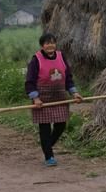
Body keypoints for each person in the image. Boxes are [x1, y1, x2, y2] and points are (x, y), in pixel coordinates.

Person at [25, 32, 83, 166]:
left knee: (61, 124)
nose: (50, 45)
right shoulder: (36, 60)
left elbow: (68, 77)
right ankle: (49, 156)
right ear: (42, 46)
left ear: (55, 44)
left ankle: (47, 146)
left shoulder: (61, 56)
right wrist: (35, 98)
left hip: (60, 96)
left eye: (52, 42)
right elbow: (30, 81)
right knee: (44, 128)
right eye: (47, 43)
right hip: (42, 98)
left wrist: (74, 93)